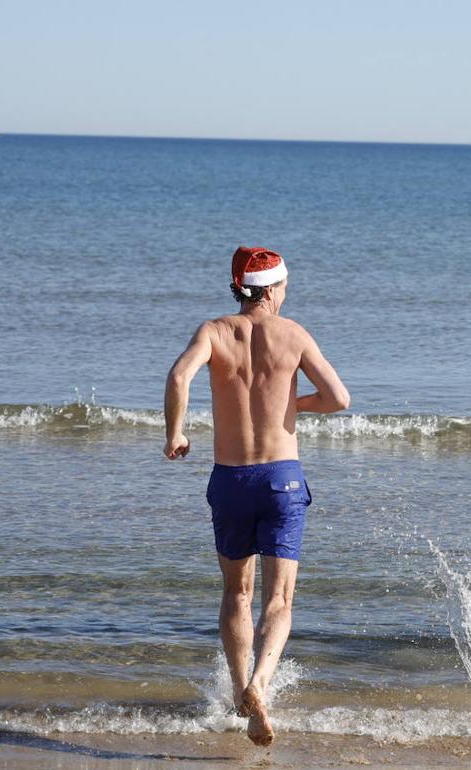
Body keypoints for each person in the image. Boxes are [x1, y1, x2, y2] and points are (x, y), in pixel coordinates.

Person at [163, 246, 350, 745]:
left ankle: (238, 690)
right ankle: (260, 684)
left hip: (230, 479)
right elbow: (339, 398)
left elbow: (179, 375)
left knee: (236, 592)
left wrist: (175, 434)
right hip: (282, 479)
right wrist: (292, 402)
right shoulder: (293, 335)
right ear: (272, 289)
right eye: (285, 287)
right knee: (279, 598)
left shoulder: (213, 332)